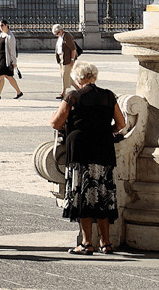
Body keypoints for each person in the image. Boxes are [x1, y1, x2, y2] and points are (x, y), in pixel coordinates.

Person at [51, 59, 128, 254]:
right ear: (94, 77)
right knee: (103, 194)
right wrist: (104, 130)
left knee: (82, 195)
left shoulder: (73, 97)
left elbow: (56, 123)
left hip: (80, 149)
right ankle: (106, 242)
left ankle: (86, 243)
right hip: (103, 148)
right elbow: (121, 124)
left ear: (78, 79)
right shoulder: (108, 96)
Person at [0, 20, 22, 98]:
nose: (0, 27)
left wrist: (14, 62)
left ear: (6, 25)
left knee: (3, 76)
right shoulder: (1, 35)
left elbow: (12, 50)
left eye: (2, 25)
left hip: (6, 59)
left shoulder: (10, 36)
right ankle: (18, 92)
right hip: (1, 58)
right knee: (7, 76)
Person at [53, 25, 78, 96]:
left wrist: (72, 59)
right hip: (62, 59)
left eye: (57, 33)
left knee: (65, 76)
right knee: (65, 76)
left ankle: (63, 93)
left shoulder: (67, 36)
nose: (57, 35)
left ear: (61, 30)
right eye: (55, 34)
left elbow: (73, 49)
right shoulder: (60, 37)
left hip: (67, 59)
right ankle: (78, 88)